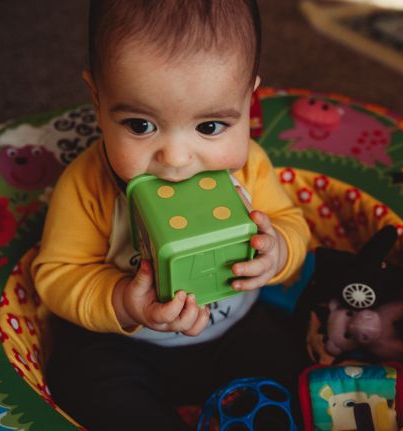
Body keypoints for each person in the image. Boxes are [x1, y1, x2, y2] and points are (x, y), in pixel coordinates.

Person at [30, 1, 310, 429]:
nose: (177, 159)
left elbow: (290, 220)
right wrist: (124, 301)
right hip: (123, 345)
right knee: (84, 383)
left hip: (234, 329)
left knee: (289, 366)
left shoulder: (249, 166)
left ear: (249, 101)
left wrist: (276, 252)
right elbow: (57, 274)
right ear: (98, 98)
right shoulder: (86, 184)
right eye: (140, 125)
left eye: (211, 127)